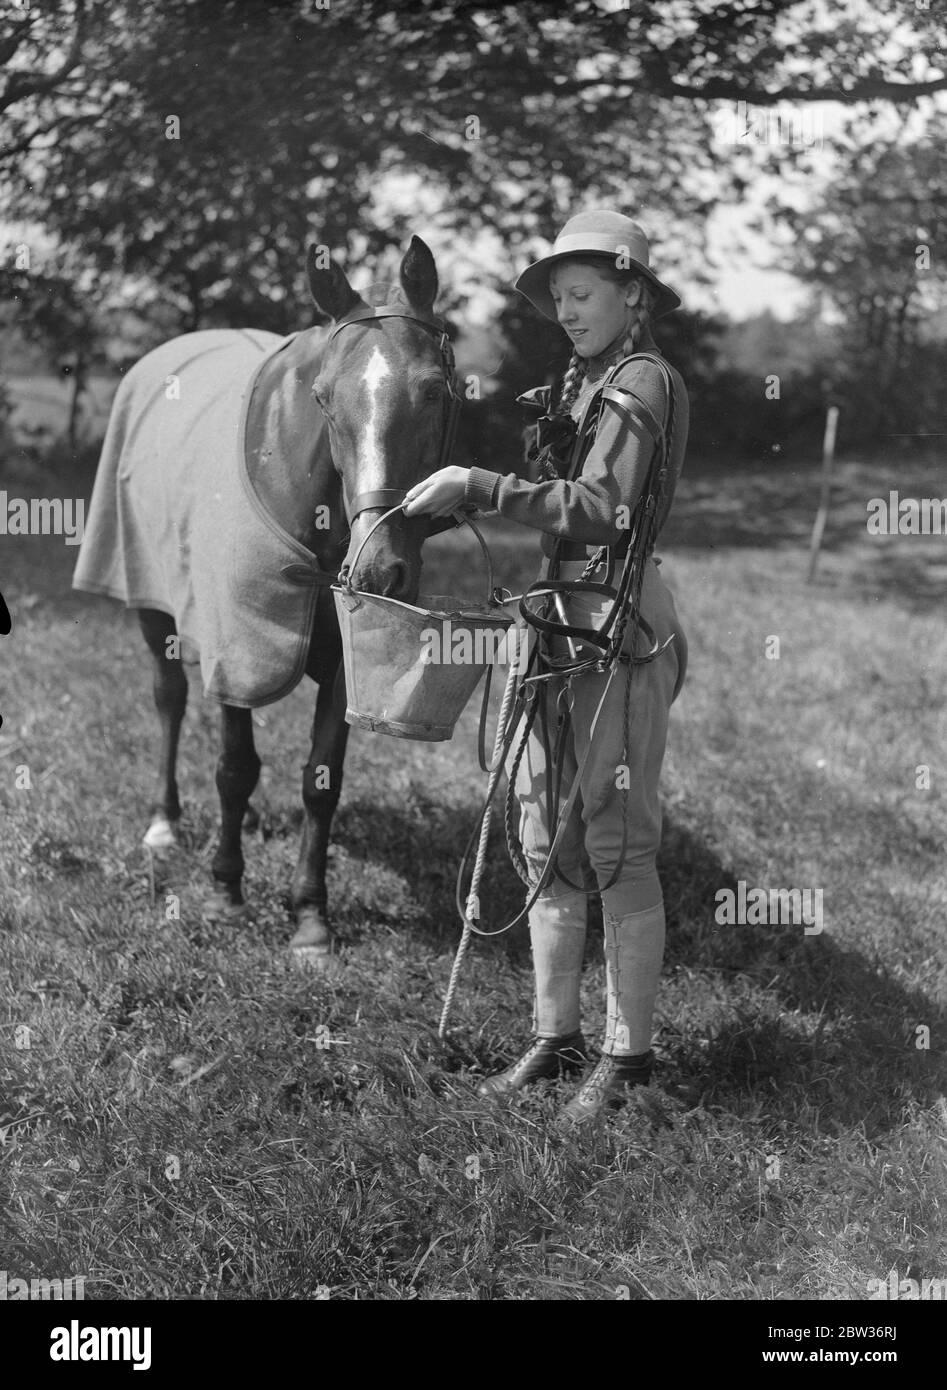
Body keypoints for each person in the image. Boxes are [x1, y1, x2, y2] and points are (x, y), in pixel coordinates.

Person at [404, 209, 689, 1125]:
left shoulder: (641, 381)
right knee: (542, 837)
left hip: (618, 631)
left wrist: (479, 485)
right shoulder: (581, 380)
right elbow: (556, 506)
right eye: (557, 298)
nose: (565, 311)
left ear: (631, 294)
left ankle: (628, 1060)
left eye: (582, 294)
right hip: (558, 623)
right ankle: (553, 1037)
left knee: (613, 841)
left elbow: (601, 510)